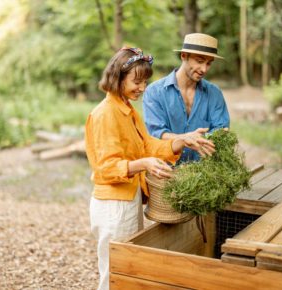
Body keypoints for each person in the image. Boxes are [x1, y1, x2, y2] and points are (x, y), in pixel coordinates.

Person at [85, 47, 215, 290]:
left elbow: (147, 145)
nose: (142, 88)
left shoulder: (127, 109)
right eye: (137, 81)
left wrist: (182, 140)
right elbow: (105, 168)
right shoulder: (105, 114)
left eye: (145, 82)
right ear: (118, 77)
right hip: (113, 205)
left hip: (130, 198)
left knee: (130, 268)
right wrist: (144, 164)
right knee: (115, 273)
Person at [143, 33, 230, 164]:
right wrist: (185, 138)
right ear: (184, 56)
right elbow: (157, 134)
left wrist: (202, 138)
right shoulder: (154, 92)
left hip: (204, 174)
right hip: (164, 172)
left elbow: (221, 132)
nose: (204, 69)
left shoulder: (214, 93)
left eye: (209, 63)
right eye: (199, 61)